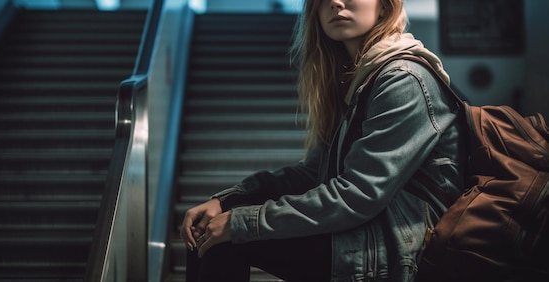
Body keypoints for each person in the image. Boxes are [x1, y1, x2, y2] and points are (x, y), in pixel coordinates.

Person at [180, 0, 464, 281]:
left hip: (394, 245)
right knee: (208, 230)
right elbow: (311, 174)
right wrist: (231, 200)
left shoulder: (404, 80)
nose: (335, 3)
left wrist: (241, 223)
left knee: (225, 240)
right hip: (360, 231)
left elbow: (358, 194)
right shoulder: (358, 81)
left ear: (386, 6)